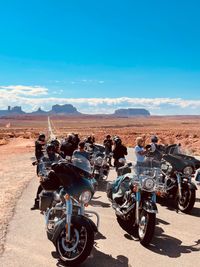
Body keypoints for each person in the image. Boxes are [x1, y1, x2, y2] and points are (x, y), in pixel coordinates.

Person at [31, 143, 62, 210]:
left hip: (56, 175)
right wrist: (37, 163)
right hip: (47, 176)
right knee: (40, 187)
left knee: (62, 187)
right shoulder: (44, 157)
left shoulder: (58, 156)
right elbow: (40, 162)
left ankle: (64, 202)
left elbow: (62, 161)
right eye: (49, 150)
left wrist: (66, 162)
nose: (51, 151)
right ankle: (36, 204)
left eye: (52, 150)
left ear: (54, 150)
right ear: (47, 150)